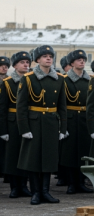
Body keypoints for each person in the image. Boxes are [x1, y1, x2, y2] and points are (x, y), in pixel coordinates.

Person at [16, 45, 67, 205]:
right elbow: (21, 106)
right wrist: (24, 128)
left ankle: (45, 191)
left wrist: (63, 128)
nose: (48, 58)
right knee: (33, 159)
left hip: (51, 122)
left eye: (50, 56)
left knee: (48, 159)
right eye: (44, 56)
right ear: (37, 59)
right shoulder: (29, 78)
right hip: (34, 122)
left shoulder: (59, 79)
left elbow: (62, 106)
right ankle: (36, 192)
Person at [59, 49, 93, 194]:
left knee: (84, 152)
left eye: (84, 60)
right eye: (79, 59)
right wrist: (62, 125)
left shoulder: (91, 80)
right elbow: (60, 103)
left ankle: (80, 182)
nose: (82, 62)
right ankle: (71, 183)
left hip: (85, 119)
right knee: (70, 153)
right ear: (71, 63)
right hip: (70, 118)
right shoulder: (63, 79)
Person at [1, 52, 33, 198]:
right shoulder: (7, 82)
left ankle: (23, 185)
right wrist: (3, 130)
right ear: (14, 66)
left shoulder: (31, 80)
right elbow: (2, 108)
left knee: (25, 155)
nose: (26, 65)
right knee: (13, 155)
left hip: (27, 120)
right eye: (22, 62)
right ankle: (15, 187)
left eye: (27, 62)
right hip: (12, 121)